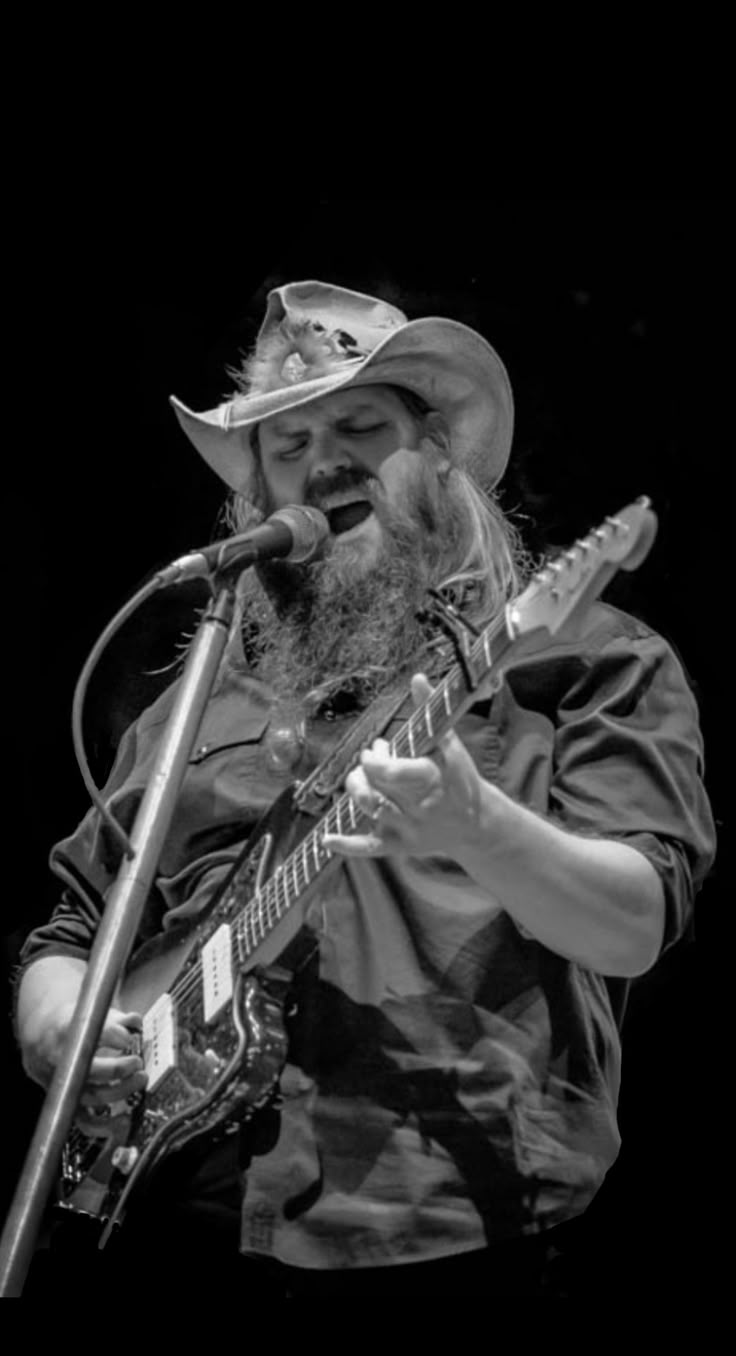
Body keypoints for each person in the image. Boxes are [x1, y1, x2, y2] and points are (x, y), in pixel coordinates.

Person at [13, 280, 716, 1299]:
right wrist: (53, 1024)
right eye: (286, 444)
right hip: (170, 1220)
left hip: (458, 1224)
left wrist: (476, 823)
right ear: (255, 498)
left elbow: (633, 923)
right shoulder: (191, 713)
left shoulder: (582, 657)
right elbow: (71, 930)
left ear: (438, 455)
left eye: (358, 424)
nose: (322, 460)